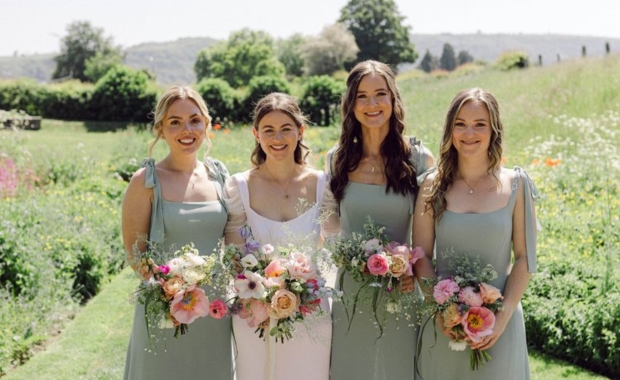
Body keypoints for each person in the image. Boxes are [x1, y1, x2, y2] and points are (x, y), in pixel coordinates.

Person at [413, 88, 537, 379]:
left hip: (500, 326)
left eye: (479, 124)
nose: (469, 133)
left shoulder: (516, 185)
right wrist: (442, 312)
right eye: (460, 124)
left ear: (494, 130)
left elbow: (524, 258)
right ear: (450, 130)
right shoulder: (432, 185)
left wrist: (503, 316)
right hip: (444, 326)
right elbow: (421, 255)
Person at [326, 60, 434, 380]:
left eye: (380, 94)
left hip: (401, 289)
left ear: (393, 99)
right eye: (362, 96)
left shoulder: (418, 158)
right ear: (351, 104)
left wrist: (411, 267)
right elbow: (330, 220)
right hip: (351, 289)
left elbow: (428, 230)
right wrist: (347, 253)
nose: (372, 104)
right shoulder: (337, 159)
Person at [223, 92, 337, 380]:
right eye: (268, 130)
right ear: (256, 135)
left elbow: (337, 241)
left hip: (311, 312)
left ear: (300, 131)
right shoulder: (241, 186)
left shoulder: (322, 184)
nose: (278, 138)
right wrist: (260, 295)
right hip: (255, 313)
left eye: (286, 128)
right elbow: (234, 251)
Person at [122, 86, 232, 379]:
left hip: (214, 308)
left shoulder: (219, 175)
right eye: (175, 121)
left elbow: (235, 238)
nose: (187, 129)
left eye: (195, 120)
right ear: (160, 128)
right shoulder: (145, 181)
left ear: (206, 124)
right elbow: (136, 255)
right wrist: (170, 291)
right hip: (164, 308)